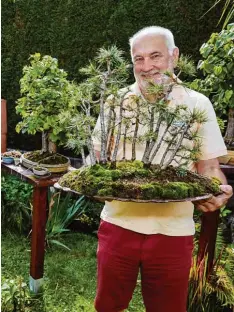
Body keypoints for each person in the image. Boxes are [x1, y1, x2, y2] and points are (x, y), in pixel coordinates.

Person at [92, 26, 233, 312]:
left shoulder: (196, 105)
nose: (146, 67)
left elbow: (208, 166)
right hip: (118, 224)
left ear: (174, 56)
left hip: (172, 231)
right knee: (108, 305)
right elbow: (97, 159)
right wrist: (93, 180)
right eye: (138, 59)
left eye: (155, 56)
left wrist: (216, 190)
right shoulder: (117, 102)